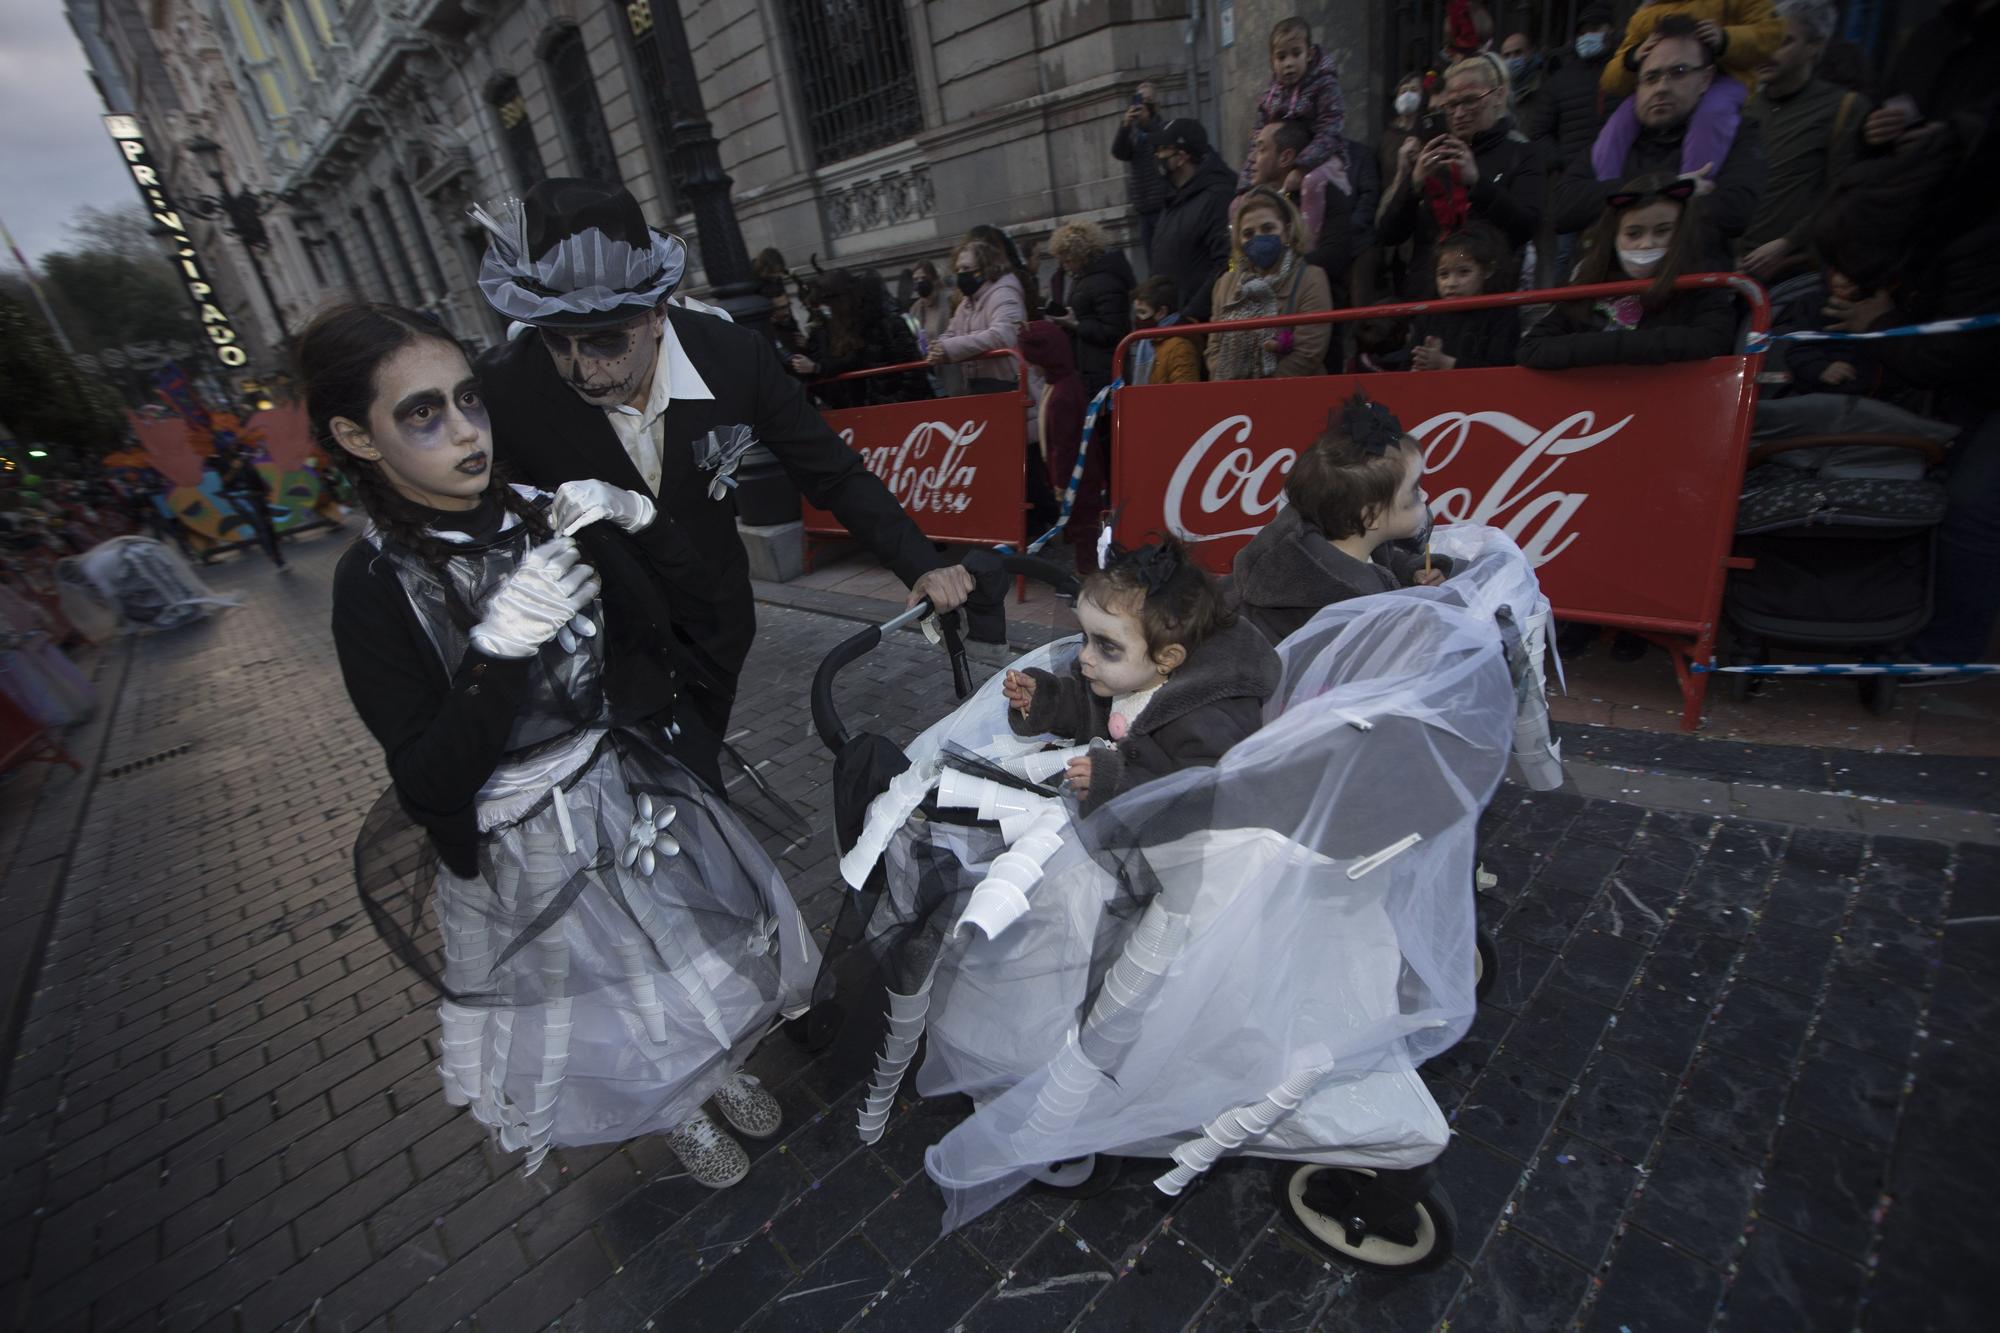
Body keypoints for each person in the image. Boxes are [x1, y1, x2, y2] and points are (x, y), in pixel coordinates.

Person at [315, 302, 820, 1190]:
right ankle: (673, 1105)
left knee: (679, 942)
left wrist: (642, 519)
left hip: (622, 785)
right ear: (359, 437)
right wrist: (496, 655)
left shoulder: (538, 513)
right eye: (421, 414)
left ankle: (716, 1067)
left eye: (468, 397)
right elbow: (430, 781)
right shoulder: (373, 585)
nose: (466, 430)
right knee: (611, 982)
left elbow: (695, 613)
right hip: (524, 835)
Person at [471, 179, 972, 790]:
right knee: (663, 796)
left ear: (657, 314)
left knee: (691, 784)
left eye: (604, 340)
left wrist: (920, 563)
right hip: (600, 641)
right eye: (558, 341)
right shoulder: (504, 387)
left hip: (713, 620)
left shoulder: (735, 358)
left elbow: (832, 473)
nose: (582, 369)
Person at [1000, 537, 1279, 814]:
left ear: (1166, 658)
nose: (1084, 655)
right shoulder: (1124, 676)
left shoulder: (1204, 720)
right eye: (1086, 638)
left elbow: (1200, 795)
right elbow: (1086, 712)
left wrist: (1117, 783)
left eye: (1106, 646)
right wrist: (1045, 701)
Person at [1232, 393, 1447, 644]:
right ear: (1371, 516)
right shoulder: (1348, 607)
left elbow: (1383, 562)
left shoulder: (1336, 541)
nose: (1425, 494)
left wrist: (1412, 574)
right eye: (1414, 490)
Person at [1553, 17, 1767, 262]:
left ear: (1706, 78)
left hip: (1694, 289)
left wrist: (1624, 201)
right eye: (1651, 77)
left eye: (1679, 73)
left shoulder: (1738, 133)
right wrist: (1668, 187)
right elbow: (1565, 206)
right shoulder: (1613, 143)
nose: (1662, 87)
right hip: (1612, 291)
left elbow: (1736, 210)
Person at [1521, 173, 1738, 369]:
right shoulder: (1590, 279)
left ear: (1682, 231)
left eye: (1662, 231)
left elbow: (1713, 339)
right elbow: (1532, 348)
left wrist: (1603, 347)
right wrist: (1622, 346)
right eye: (1634, 234)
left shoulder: (1702, 280)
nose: (1646, 244)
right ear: (1614, 236)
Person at [1378, 53, 1545, 296]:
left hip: (1490, 301)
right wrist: (1413, 184)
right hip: (1429, 304)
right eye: (1451, 105)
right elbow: (1388, 233)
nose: (1458, 113)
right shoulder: (1436, 155)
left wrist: (1477, 184)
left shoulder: (1522, 153)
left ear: (1498, 96)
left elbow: (1526, 227)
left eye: (1470, 100)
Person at [1739, 0, 1866, 285]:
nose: (1767, 51)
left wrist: (1787, 243)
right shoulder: (1743, 105)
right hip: (1730, 268)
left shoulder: (1843, 107)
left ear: (1815, 46)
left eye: (1783, 41)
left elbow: (1841, 193)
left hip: (1792, 273)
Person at [1594, 3, 1781, 187]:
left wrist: (1727, 39)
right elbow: (1611, 81)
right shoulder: (1645, 15)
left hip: (1727, 80)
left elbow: (1770, 34)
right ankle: (1606, 189)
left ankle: (1692, 186)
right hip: (1659, 83)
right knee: (1615, 127)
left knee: (1712, 113)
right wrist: (1631, 58)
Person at [1205, 186, 1333, 380]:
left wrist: (1262, 390)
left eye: (1268, 228)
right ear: (1239, 240)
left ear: (1287, 230)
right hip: (1233, 397)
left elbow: (1309, 353)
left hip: (1292, 394)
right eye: (1248, 233)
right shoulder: (1225, 284)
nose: (1258, 238)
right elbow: (1213, 348)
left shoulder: (1311, 278)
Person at [1534, 6, 1620, 280]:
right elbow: (1539, 132)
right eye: (1582, 32)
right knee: (1565, 253)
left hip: (1618, 178)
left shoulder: (1623, 74)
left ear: (1610, 31)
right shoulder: (1561, 80)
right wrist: (1562, 161)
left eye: (1594, 30)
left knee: (1614, 247)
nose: (1588, 37)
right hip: (1574, 181)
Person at [1018, 320, 1104, 573]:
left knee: (1084, 531)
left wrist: (1060, 484)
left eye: (1031, 360)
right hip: (1083, 475)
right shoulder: (1063, 384)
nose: (1029, 366)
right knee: (1084, 530)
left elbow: (1063, 447)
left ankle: (1090, 585)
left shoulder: (1061, 395)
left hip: (1077, 479)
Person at [1237, 16, 1349, 202]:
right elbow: (1259, 140)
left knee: (1312, 183)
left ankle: (1308, 230)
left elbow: (1330, 129)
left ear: (1310, 53)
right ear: (1272, 61)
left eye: (1296, 54)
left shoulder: (1324, 85)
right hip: (1284, 162)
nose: (1288, 63)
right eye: (1281, 57)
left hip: (1322, 159)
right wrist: (1245, 185)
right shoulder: (1271, 97)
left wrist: (1302, 167)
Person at [788, 268, 928, 409]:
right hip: (869, 412)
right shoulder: (841, 329)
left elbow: (914, 372)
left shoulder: (883, 323)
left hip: (902, 410)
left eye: (829, 308)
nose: (828, 315)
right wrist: (816, 368)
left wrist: (893, 404)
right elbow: (848, 364)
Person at [1148, 118, 1239, 324]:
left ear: (1181, 157)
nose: (1157, 156)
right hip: (1172, 322)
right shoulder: (1174, 199)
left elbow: (1226, 263)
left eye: (1162, 149)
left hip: (1197, 325)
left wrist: (1190, 314)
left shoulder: (1217, 196)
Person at [1408, 222, 1521, 370]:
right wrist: (1415, 367)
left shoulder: (1502, 314)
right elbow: (1408, 362)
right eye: (1443, 274)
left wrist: (1447, 363)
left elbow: (1501, 369)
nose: (1451, 283)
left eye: (1464, 272)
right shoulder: (1429, 314)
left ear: (1488, 270)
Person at [1043, 220, 1133, 397]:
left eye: (1068, 261)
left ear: (1081, 255)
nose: (1066, 267)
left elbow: (1113, 330)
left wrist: (1076, 324)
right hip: (1091, 367)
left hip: (1102, 371)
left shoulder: (1105, 281)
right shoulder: (1086, 278)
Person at [928, 235, 1029, 393]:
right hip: (979, 388)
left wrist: (949, 347)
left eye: (966, 269)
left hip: (1010, 387)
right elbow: (951, 333)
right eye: (958, 269)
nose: (961, 274)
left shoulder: (1004, 294)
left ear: (985, 268)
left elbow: (1002, 335)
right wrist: (939, 348)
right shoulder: (967, 303)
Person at [1111, 80, 1169, 260]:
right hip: (1143, 209)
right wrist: (1125, 126)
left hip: (1163, 206)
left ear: (1155, 104)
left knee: (1166, 257)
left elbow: (1162, 141)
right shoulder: (1133, 133)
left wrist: (1147, 123)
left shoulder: (1164, 127)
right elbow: (1119, 152)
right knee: (1152, 262)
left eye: (1148, 100)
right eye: (1140, 100)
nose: (1143, 104)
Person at [211, 444, 284, 569]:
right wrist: (234, 469)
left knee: (268, 526)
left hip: (256, 495)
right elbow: (225, 482)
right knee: (262, 527)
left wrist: (264, 488)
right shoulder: (219, 461)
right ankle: (276, 558)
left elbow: (253, 474)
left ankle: (275, 554)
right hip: (242, 499)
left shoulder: (242, 455)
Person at [1126, 276, 1202, 385]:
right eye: (1136, 313)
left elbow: (1185, 395)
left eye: (1142, 312)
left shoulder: (1180, 347)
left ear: (1161, 312)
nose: (1138, 319)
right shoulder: (1149, 342)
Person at [1502, 32, 1548, 130]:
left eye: (1518, 53)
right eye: (1506, 55)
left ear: (1530, 52)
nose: (1512, 59)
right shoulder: (1499, 94)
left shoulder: (1544, 88)